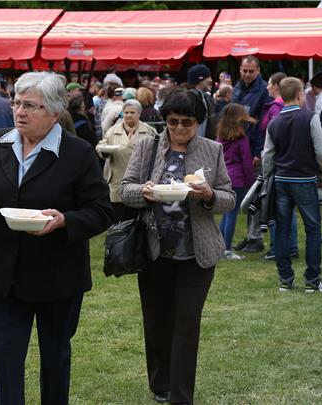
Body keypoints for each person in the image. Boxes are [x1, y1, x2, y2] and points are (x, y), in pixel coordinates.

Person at [0, 71, 112, 405]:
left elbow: (102, 210)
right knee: (7, 360)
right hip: (6, 275)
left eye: (30, 105)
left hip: (58, 277)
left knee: (56, 360)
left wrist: (64, 221)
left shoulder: (78, 153)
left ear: (55, 114)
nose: (19, 111)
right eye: (16, 102)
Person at [120, 88, 235, 405]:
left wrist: (209, 194)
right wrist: (144, 191)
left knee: (186, 323)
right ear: (164, 121)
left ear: (199, 122)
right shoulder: (148, 146)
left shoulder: (211, 150)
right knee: (157, 321)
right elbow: (124, 189)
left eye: (187, 122)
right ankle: (161, 384)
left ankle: (181, 396)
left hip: (196, 254)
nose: (180, 128)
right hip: (154, 250)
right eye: (173, 122)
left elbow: (228, 197)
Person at [262, 77, 322, 292]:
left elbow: (267, 156)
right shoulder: (311, 118)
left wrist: (266, 179)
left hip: (281, 180)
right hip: (305, 180)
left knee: (282, 229)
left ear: (281, 95)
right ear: (300, 95)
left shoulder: (273, 123)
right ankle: (312, 280)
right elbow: (321, 153)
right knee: (313, 229)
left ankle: (285, 279)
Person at [232, 55, 270, 253]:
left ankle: (256, 237)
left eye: (251, 71)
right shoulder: (237, 88)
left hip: (252, 147)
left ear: (258, 71)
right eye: (244, 70)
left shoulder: (263, 91)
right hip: (237, 146)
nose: (247, 74)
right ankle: (250, 235)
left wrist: (257, 151)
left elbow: (262, 125)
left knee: (254, 194)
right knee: (247, 194)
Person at [97, 99, 156, 222]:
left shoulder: (149, 131)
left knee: (140, 219)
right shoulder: (112, 131)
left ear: (139, 114)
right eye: (126, 112)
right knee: (120, 221)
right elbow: (101, 148)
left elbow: (157, 151)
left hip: (141, 181)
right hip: (118, 180)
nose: (129, 115)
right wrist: (104, 151)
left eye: (132, 112)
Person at [260, 72, 298, 261]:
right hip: (291, 165)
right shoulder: (284, 108)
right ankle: (289, 246)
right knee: (288, 210)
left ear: (276, 86)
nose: (266, 87)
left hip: (278, 166)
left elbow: (273, 144)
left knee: (276, 209)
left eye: (268, 83)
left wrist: (266, 172)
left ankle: (279, 247)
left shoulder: (276, 109)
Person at [217, 103, 256, 260]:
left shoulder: (220, 137)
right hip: (238, 180)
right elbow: (247, 163)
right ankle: (226, 249)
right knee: (231, 214)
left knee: (226, 214)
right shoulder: (242, 140)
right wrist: (251, 182)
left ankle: (219, 246)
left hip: (224, 178)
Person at [185, 64, 215, 139]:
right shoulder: (190, 99)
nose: (211, 80)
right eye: (207, 77)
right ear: (199, 79)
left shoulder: (206, 97)